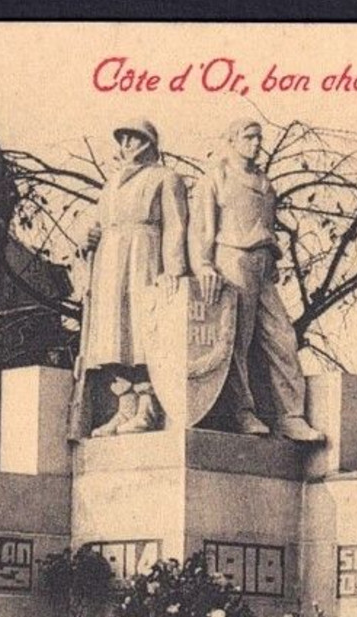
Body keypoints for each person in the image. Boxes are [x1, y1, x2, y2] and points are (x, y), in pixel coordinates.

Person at [188, 119, 325, 443]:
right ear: (233, 140)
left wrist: (273, 257)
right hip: (232, 259)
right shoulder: (216, 178)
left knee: (283, 338)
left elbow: (266, 225)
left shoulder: (265, 183)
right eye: (249, 137)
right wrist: (204, 264)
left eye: (259, 138)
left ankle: (290, 416)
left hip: (263, 266)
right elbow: (202, 230)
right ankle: (242, 411)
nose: (256, 143)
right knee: (237, 339)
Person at [74, 119, 190, 437]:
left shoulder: (166, 178)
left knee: (143, 335)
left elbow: (176, 226)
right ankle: (124, 408)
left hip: (145, 254)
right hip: (110, 261)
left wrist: (173, 270)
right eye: (122, 139)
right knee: (113, 337)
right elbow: (97, 223)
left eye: (132, 138)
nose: (125, 145)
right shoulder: (110, 184)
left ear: (147, 142)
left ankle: (147, 408)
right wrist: (87, 238)